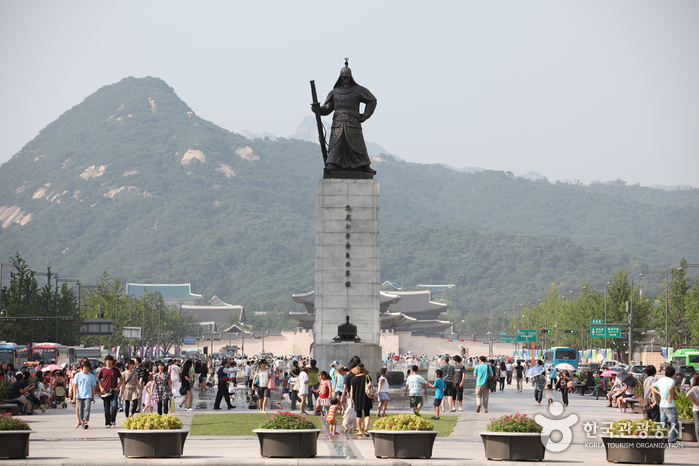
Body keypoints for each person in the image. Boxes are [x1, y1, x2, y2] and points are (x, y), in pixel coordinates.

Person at [311, 60, 378, 175]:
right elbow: (327, 108)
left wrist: (366, 115)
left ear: (351, 78)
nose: (345, 80)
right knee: (336, 143)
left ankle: (364, 165)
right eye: (343, 78)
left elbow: (372, 100)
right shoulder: (334, 92)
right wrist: (318, 109)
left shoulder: (358, 90)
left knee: (358, 145)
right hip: (337, 122)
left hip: (353, 122)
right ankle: (332, 164)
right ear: (340, 78)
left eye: (347, 78)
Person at [651, 365, 679, 444]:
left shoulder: (660, 380)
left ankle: (663, 440)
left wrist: (659, 393)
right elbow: (670, 388)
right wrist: (670, 395)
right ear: (673, 374)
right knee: (674, 423)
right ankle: (672, 441)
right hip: (669, 406)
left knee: (663, 423)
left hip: (662, 405)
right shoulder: (671, 380)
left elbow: (652, 387)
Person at [97, 355, 121, 427]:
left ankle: (113, 420)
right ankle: (107, 422)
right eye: (107, 360)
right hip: (105, 391)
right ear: (105, 361)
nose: (108, 362)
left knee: (114, 405)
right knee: (106, 408)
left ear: (112, 361)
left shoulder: (116, 370)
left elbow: (122, 379)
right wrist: (101, 388)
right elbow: (98, 379)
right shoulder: (103, 370)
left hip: (114, 390)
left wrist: (118, 386)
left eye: (110, 360)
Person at [349, 363, 372, 438]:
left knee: (358, 414)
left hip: (357, 398)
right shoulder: (367, 377)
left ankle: (360, 430)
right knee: (367, 414)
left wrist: (351, 400)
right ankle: (366, 428)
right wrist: (373, 397)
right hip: (367, 397)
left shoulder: (353, 379)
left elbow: (351, 391)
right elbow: (371, 388)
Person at [71, 362, 96, 429]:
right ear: (82, 368)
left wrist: (93, 397)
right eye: (84, 367)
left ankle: (85, 421)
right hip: (79, 395)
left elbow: (93, 387)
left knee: (87, 408)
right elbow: (74, 385)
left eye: (87, 367)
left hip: (88, 395)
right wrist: (74, 394)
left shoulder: (91, 376)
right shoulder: (78, 375)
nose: (86, 368)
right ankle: (82, 421)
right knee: (80, 409)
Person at [686, 373, 699, 442]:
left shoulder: (694, 388)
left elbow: (687, 395)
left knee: (697, 425)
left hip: (696, 409)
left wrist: (694, 401)